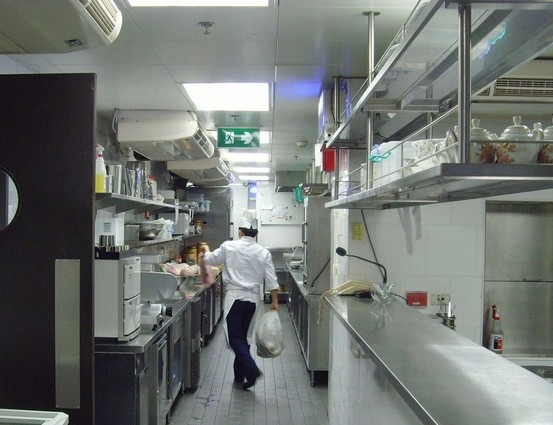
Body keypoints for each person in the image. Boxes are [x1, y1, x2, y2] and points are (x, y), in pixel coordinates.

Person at [198, 214, 279, 390]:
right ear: (256, 233)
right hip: (253, 300)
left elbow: (210, 259)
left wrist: (204, 250)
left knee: (234, 338)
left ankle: (252, 370)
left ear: (240, 232)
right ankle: (239, 375)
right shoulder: (263, 252)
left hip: (235, 297)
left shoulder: (229, 246)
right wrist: (274, 302)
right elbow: (272, 280)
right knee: (244, 337)